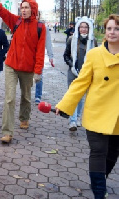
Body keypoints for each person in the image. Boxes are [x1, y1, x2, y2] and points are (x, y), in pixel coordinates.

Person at [55, 14, 119, 199]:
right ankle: (99, 193)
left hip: (116, 117)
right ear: (105, 32)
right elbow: (80, 83)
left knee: (112, 154)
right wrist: (65, 105)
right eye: (109, 28)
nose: (113, 32)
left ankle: (100, 180)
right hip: (97, 111)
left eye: (116, 28)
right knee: (98, 152)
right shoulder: (95, 55)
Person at [0, 0, 46, 144]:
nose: (23, 10)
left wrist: (38, 71)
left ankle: (24, 117)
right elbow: (0, 10)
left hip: (28, 69)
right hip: (11, 65)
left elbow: (40, 52)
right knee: (10, 98)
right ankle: (7, 131)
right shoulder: (15, 21)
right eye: (22, 7)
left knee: (26, 97)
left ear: (33, 9)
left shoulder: (40, 27)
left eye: (26, 8)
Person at [63, 17, 97, 131]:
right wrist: (72, 65)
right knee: (73, 95)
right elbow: (66, 56)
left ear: (89, 28)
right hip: (73, 72)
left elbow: (97, 57)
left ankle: (77, 118)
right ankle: (72, 121)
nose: (83, 29)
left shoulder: (93, 41)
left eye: (86, 27)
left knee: (82, 97)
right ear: (78, 28)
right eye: (81, 27)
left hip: (86, 74)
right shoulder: (72, 39)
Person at [34, 17, 54, 105]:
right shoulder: (25, 25)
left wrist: (50, 56)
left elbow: (48, 42)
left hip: (39, 56)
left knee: (39, 76)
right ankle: (25, 94)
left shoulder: (43, 27)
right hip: (28, 56)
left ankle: (37, 95)